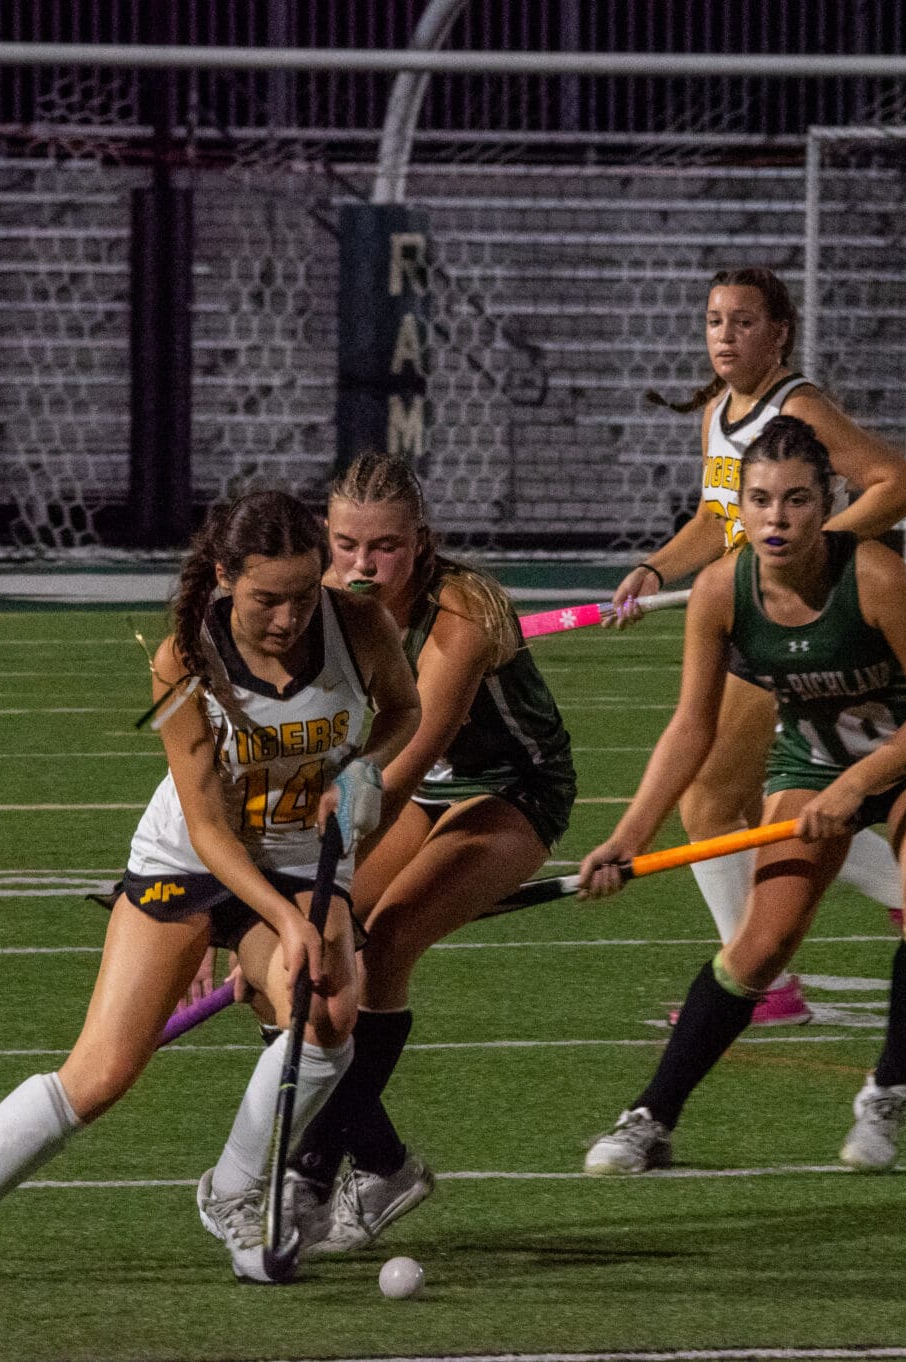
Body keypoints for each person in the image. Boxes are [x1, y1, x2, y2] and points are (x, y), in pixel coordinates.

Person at [0, 489, 419, 1288]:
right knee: (102, 1072)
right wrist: (285, 921)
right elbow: (208, 829)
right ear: (225, 576)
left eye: (304, 595)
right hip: (189, 860)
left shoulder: (360, 624)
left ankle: (234, 1192)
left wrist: (368, 764)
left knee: (330, 1009)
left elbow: (405, 709)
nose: (289, 618)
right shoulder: (182, 660)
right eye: (267, 599)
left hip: (301, 855)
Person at [578, 415, 906, 1176]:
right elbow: (691, 728)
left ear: (827, 505)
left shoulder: (876, 579)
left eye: (796, 500)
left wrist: (860, 785)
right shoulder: (721, 590)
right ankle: (650, 1119)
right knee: (760, 947)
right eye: (760, 500)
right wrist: (628, 836)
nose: (777, 519)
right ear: (743, 508)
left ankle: (889, 1090)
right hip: (813, 761)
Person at [606, 266, 906, 1026]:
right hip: (752, 615)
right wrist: (655, 569)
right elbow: (715, 521)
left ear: (778, 332)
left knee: (709, 801)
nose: (725, 336)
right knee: (756, 803)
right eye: (715, 321)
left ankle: (761, 983)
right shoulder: (718, 411)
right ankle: (905, 888)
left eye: (743, 322)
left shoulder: (798, 406)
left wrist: (807, 548)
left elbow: (898, 483)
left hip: (798, 621)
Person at [281, 452, 577, 1253]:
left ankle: (312, 1166)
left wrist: (321, 894)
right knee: (310, 954)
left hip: (509, 786)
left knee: (387, 937)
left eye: (385, 547)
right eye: (346, 545)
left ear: (422, 541)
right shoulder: (319, 603)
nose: (362, 566)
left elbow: (403, 768)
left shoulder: (461, 616)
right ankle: (384, 1165)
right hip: (410, 788)